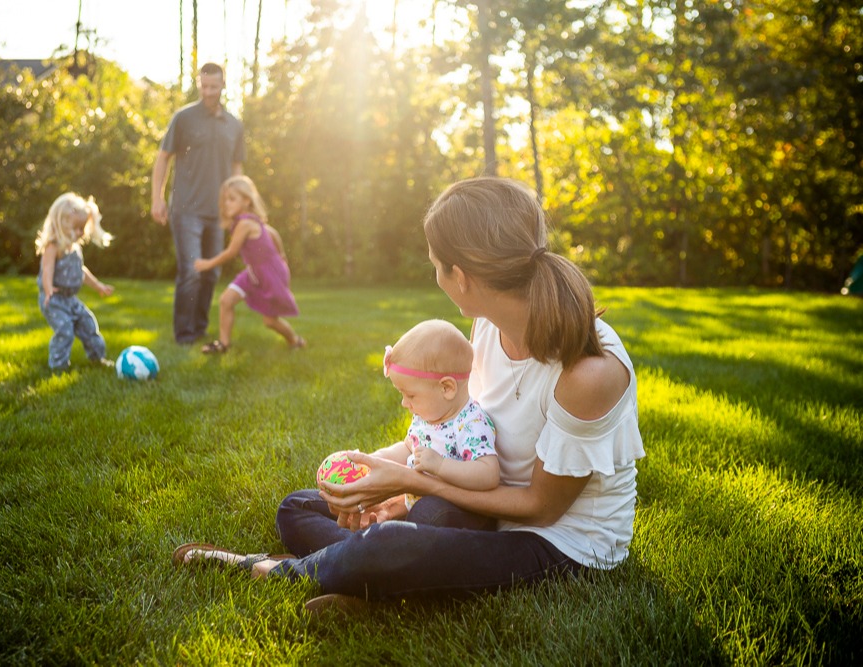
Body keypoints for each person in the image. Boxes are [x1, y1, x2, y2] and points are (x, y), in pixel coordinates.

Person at [172, 177, 645, 613]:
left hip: (557, 544)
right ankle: (359, 571)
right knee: (299, 507)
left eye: (436, 265)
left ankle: (274, 569)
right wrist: (390, 492)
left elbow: (543, 507)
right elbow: (457, 431)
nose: (436, 276)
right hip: (476, 508)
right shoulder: (486, 325)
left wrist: (411, 483)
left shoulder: (588, 372)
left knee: (392, 543)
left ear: (461, 277)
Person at [364, 319, 497, 529]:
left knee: (428, 512)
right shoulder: (428, 415)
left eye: (410, 395)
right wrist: (374, 460)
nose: (404, 403)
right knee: (293, 506)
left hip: (459, 515)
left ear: (446, 388)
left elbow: (488, 474)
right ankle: (375, 542)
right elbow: (408, 448)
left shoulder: (470, 423)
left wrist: (441, 465)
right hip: (417, 509)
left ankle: (376, 545)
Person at [151, 62, 245, 345]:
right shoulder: (184, 118)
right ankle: (184, 334)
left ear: (223, 85)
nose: (208, 92)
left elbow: (237, 168)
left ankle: (200, 328)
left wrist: (238, 208)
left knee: (212, 272)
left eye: (214, 87)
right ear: (199, 83)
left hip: (218, 213)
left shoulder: (234, 125)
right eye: (204, 86)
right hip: (186, 208)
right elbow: (163, 157)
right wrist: (157, 197)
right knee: (191, 272)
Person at [194, 175, 305, 353]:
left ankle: (295, 340)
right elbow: (272, 232)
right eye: (224, 199)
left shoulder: (245, 223)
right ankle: (223, 344)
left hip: (269, 275)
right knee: (226, 300)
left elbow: (231, 252)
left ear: (246, 200)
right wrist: (281, 256)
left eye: (231, 199)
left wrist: (207, 264)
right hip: (253, 273)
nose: (226, 203)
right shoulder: (251, 222)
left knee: (270, 321)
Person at [35, 192, 114, 371]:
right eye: (76, 228)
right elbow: (47, 269)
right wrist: (48, 290)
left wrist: (98, 285)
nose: (80, 233)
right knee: (65, 330)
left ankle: (97, 358)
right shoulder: (53, 246)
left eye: (82, 228)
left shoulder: (75, 248)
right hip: (54, 299)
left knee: (89, 324)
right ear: (61, 222)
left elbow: (82, 272)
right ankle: (58, 366)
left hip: (70, 299)